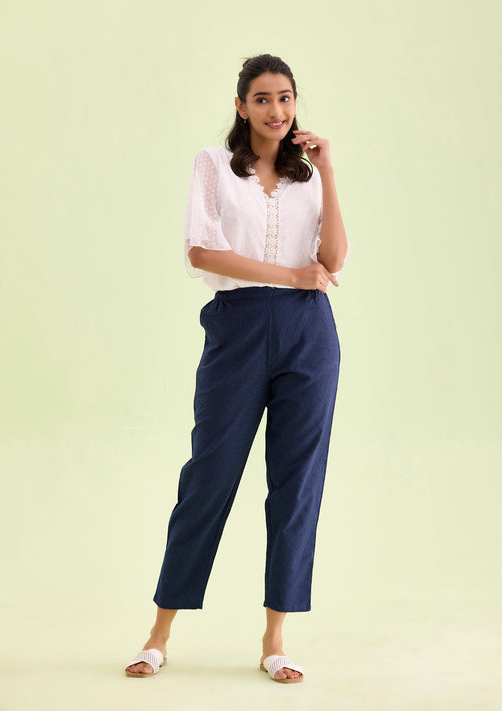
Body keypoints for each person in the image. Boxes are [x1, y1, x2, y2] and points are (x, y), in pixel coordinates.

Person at [124, 53, 350, 684]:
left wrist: (329, 171)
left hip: (310, 333)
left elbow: (333, 259)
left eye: (285, 98)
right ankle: (158, 634)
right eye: (262, 99)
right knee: (209, 475)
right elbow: (201, 251)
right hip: (238, 327)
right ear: (241, 106)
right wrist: (290, 276)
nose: (276, 110)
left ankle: (275, 640)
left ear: (296, 103)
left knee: (297, 484)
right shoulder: (214, 164)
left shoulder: (309, 176)